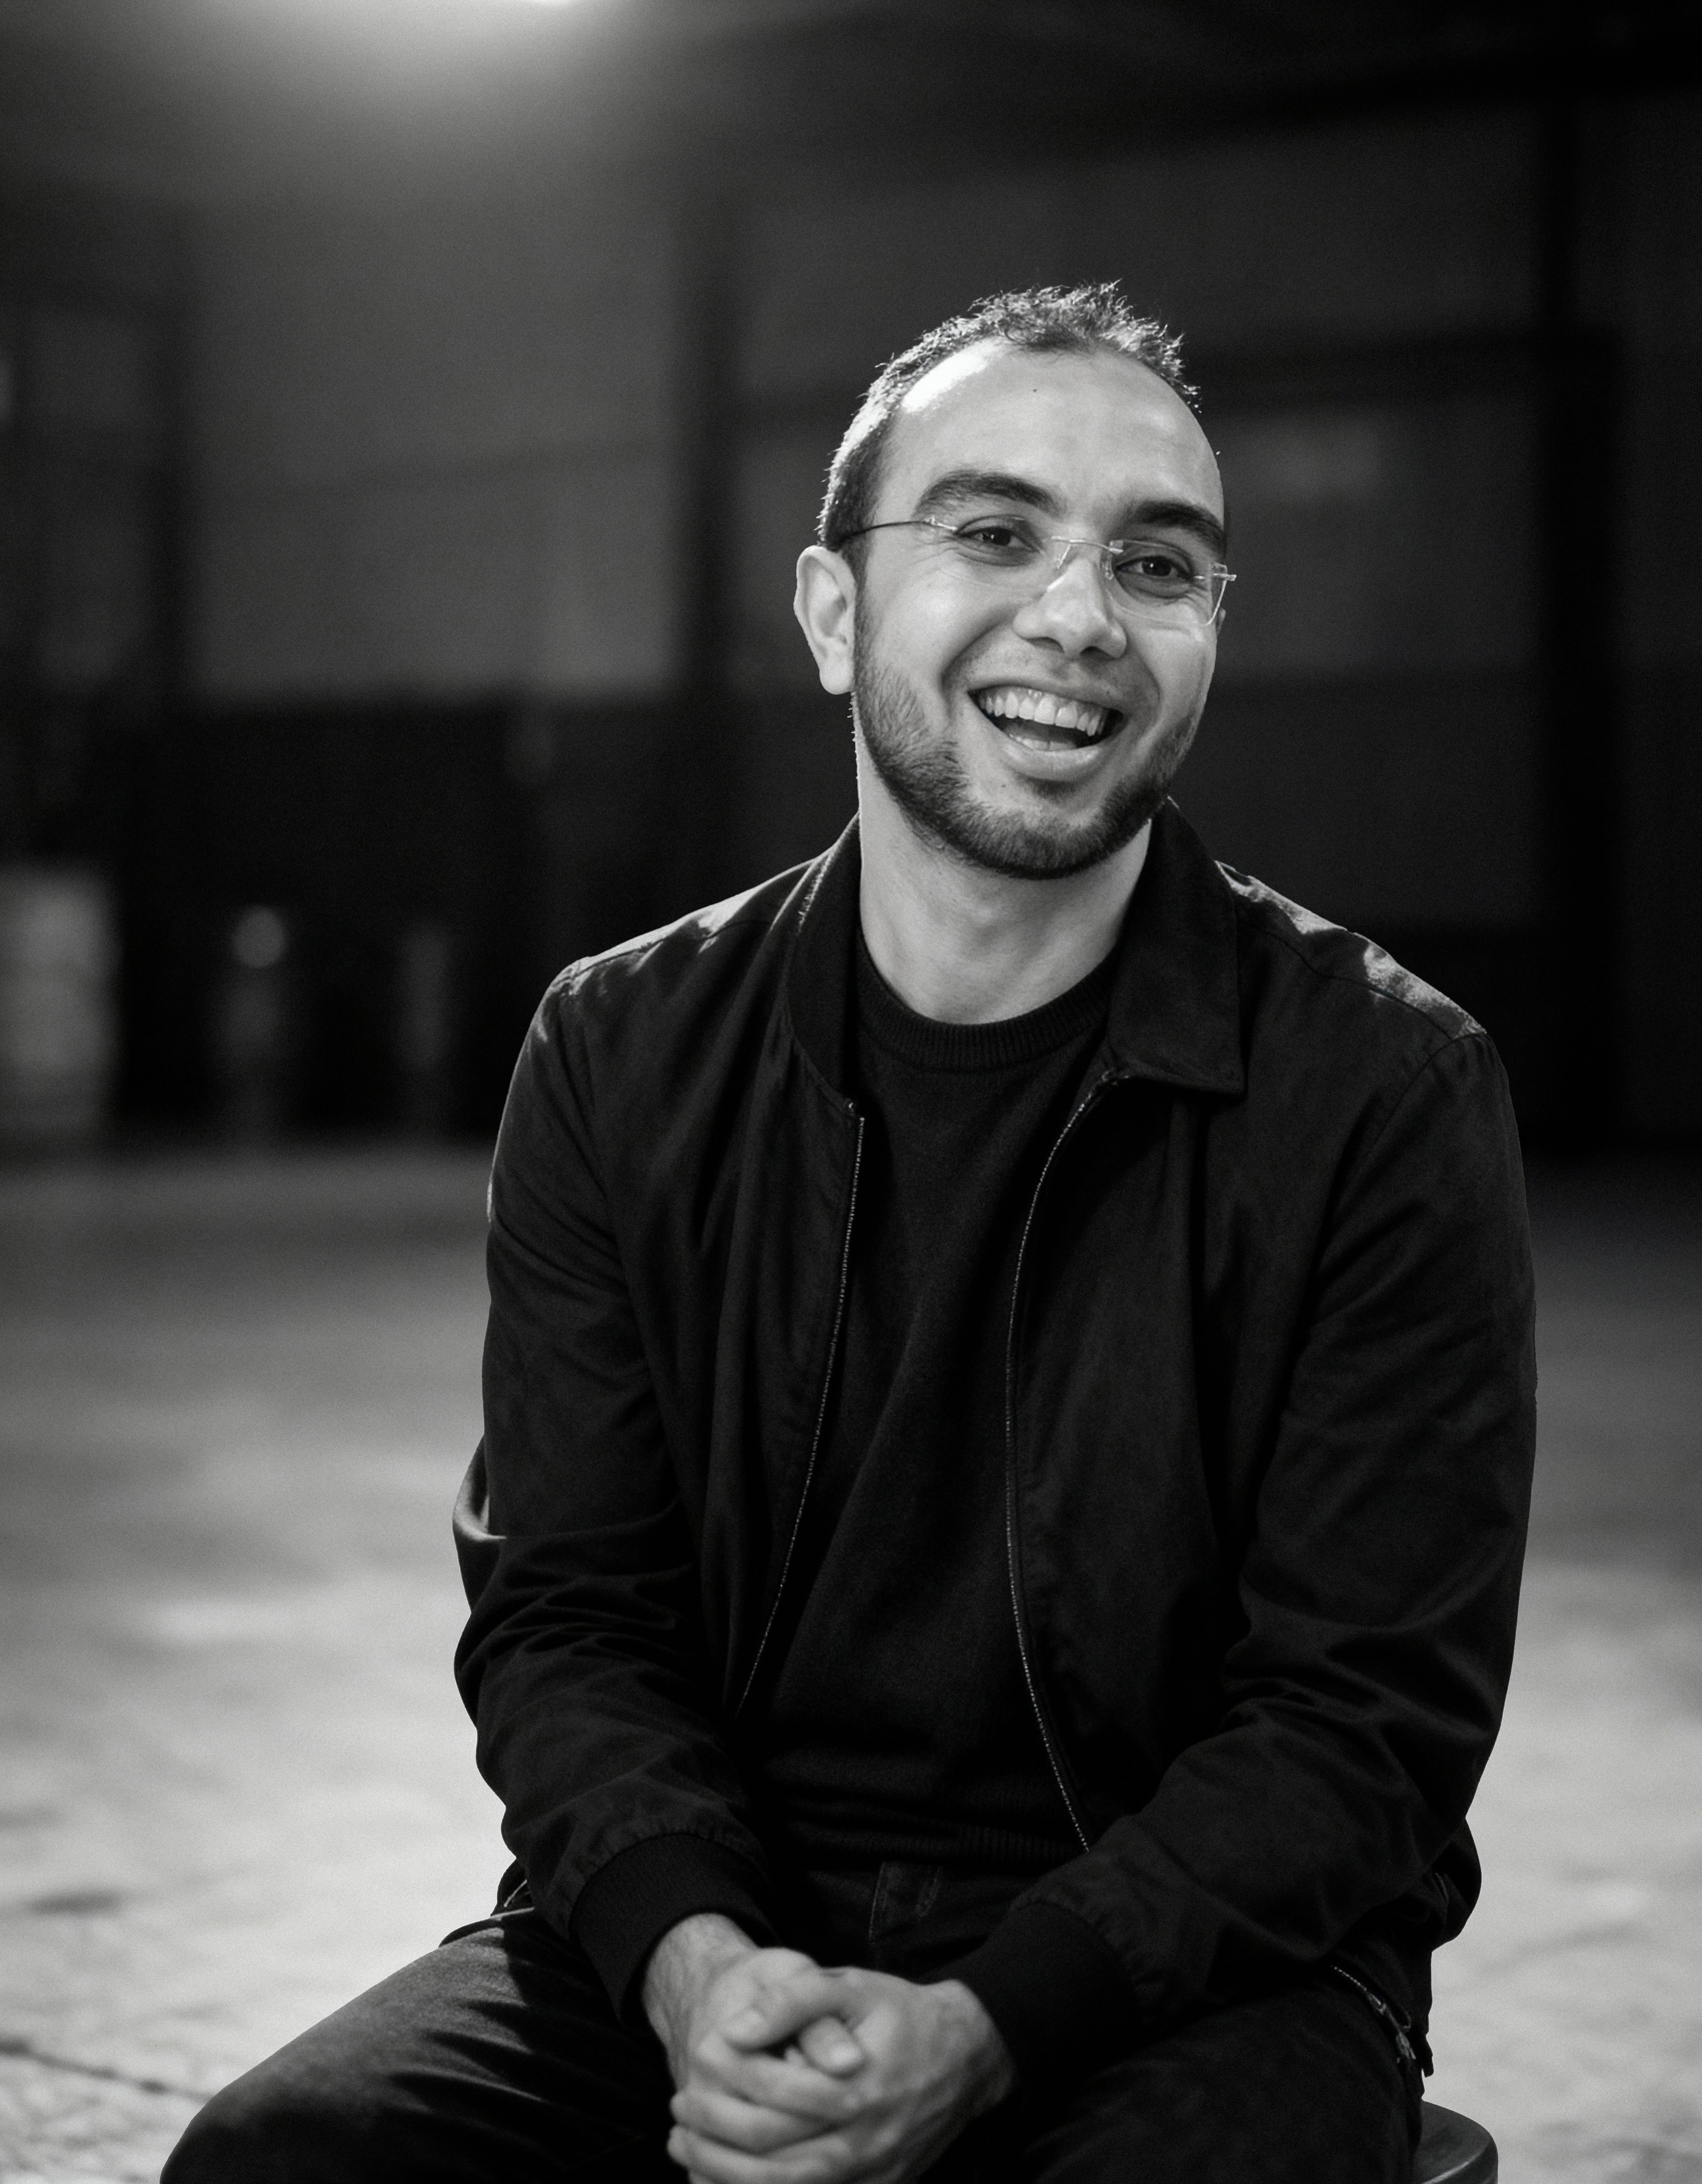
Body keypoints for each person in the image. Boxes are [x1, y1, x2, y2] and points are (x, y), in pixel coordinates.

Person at [163, 284, 1536, 2184]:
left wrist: (989, 2025)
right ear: (831, 612)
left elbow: (1364, 1719)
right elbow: (568, 1613)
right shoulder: (621, 1053)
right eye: (994, 532)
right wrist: (697, 1969)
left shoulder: (1383, 1089)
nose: (1081, 615)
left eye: (1158, 564)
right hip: (730, 1911)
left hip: (1206, 1973)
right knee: (285, 2162)